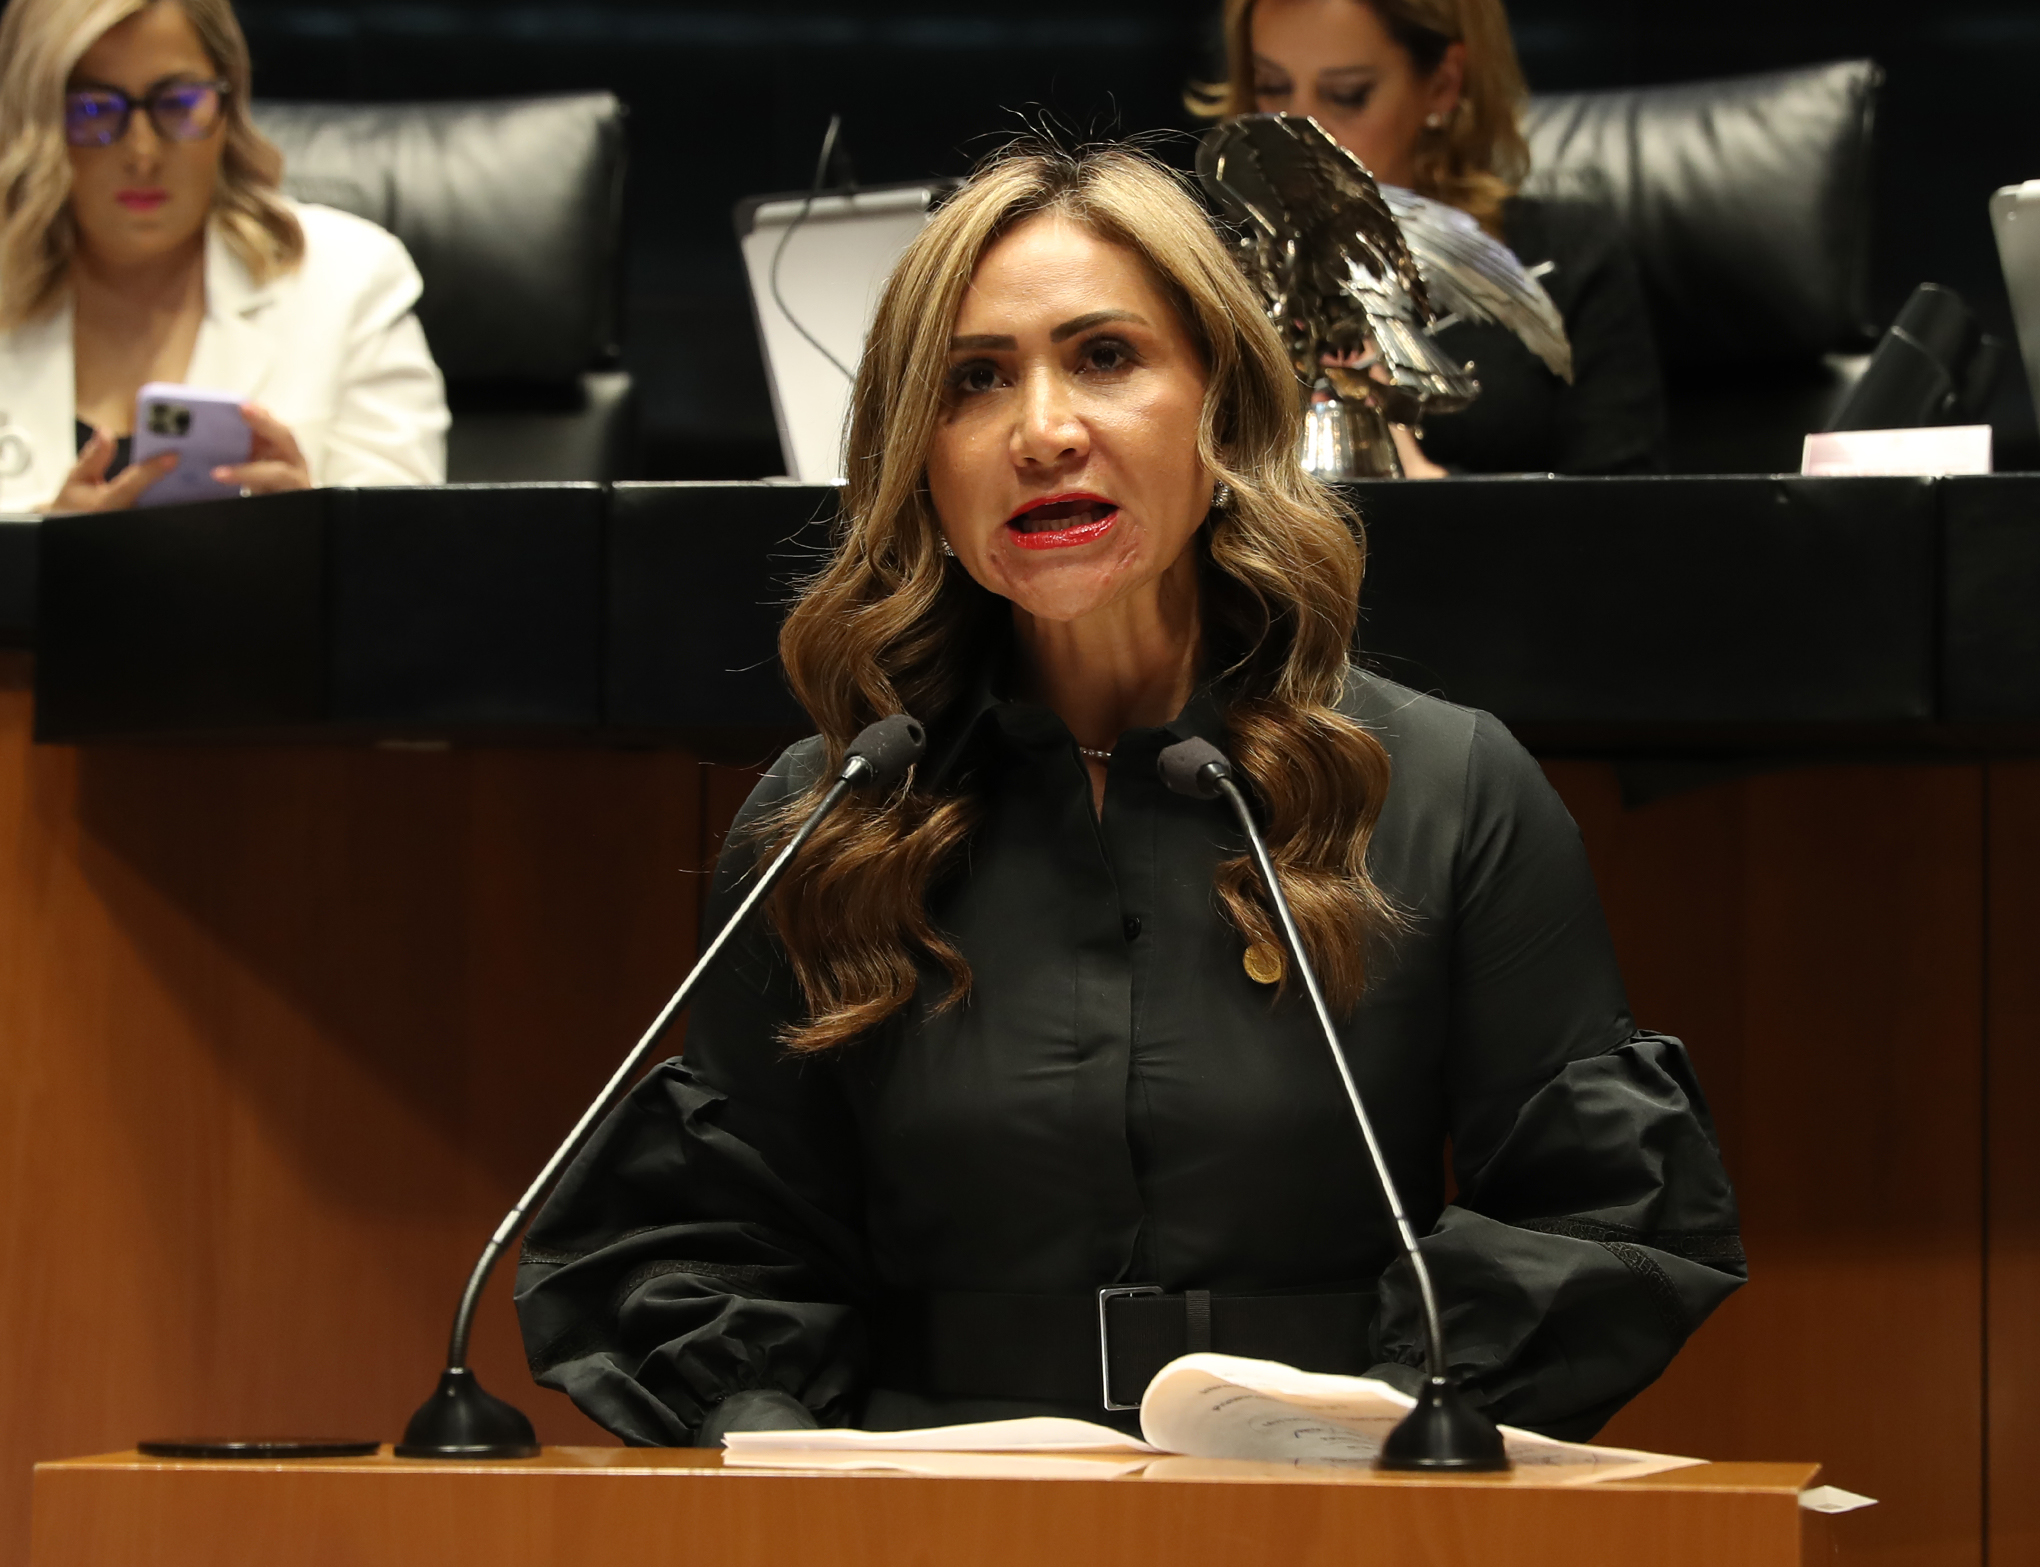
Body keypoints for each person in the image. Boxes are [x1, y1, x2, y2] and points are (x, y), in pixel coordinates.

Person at [515, 143, 1740, 1446]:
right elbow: (711, 1240)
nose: (1042, 431)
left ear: (1223, 406)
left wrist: (1389, 1422)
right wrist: (798, 1465)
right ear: (917, 456)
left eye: (1104, 356)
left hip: (1336, 1492)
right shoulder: (831, 814)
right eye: (974, 379)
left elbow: (1593, 1210)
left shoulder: (1446, 786)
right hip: (922, 1503)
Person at [0, 0, 447, 514]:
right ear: (35, 121)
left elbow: (408, 550)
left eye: (177, 103)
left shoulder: (349, 280)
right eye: (93, 110)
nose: (142, 153)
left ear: (228, 106)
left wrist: (313, 534)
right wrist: (42, 547)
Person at [1193, 0, 1666, 476]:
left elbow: (1623, 512)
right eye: (1272, 87)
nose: (1293, 133)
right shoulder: (1216, 259)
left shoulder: (1566, 254)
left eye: (1346, 95)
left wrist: (1422, 482)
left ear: (1443, 84)